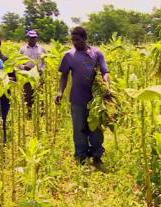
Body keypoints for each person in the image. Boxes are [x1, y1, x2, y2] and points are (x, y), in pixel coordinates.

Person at [55, 26, 110, 166]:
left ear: (85, 39)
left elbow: (105, 72)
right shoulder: (69, 56)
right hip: (77, 99)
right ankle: (81, 156)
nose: (74, 43)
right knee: (79, 129)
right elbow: (64, 75)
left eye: (77, 40)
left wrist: (106, 86)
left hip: (95, 100)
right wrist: (60, 92)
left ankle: (97, 154)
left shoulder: (97, 53)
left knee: (96, 128)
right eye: (72, 40)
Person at [0, 32, 15, 142]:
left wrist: (4, 80)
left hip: (3, 94)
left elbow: (14, 78)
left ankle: (3, 140)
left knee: (2, 117)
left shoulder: (5, 60)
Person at [19, 30, 46, 111]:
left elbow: (45, 63)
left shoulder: (42, 49)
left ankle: (41, 112)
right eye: (31, 38)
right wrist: (24, 67)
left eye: (34, 37)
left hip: (39, 75)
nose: (33, 39)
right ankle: (29, 113)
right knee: (28, 95)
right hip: (27, 76)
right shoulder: (22, 49)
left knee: (40, 94)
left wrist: (41, 69)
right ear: (28, 38)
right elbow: (18, 63)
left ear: (36, 38)